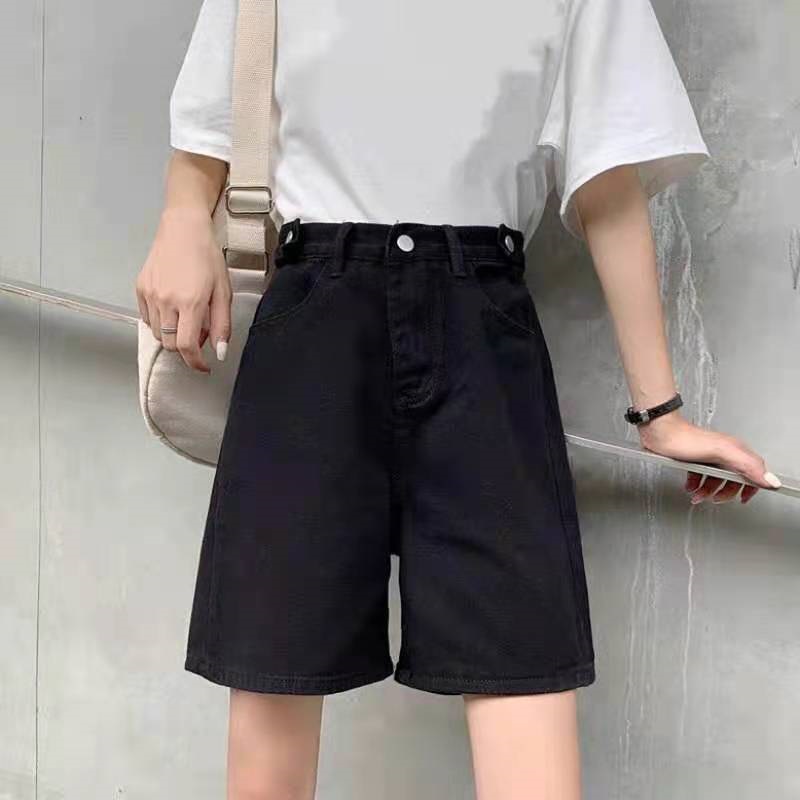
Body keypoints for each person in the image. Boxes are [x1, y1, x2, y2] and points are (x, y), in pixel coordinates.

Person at [135, 0, 781, 797]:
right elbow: (212, 122)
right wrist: (180, 222)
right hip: (313, 318)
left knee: (523, 667)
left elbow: (608, 184)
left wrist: (662, 414)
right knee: (274, 683)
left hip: (484, 328)